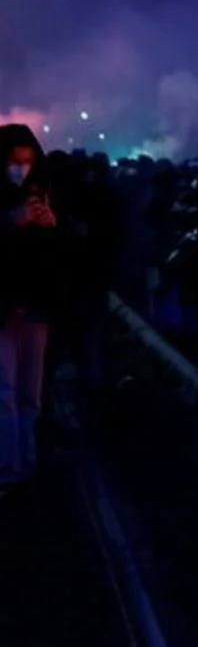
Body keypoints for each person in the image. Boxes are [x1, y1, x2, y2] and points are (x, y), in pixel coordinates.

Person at [0, 124, 62, 484]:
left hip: (36, 307)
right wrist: (12, 223)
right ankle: (10, 468)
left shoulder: (42, 195)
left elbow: (54, 259)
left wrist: (50, 228)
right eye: (13, 161)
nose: (20, 168)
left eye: (26, 161)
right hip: (3, 310)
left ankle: (29, 460)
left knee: (30, 393)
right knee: (5, 392)